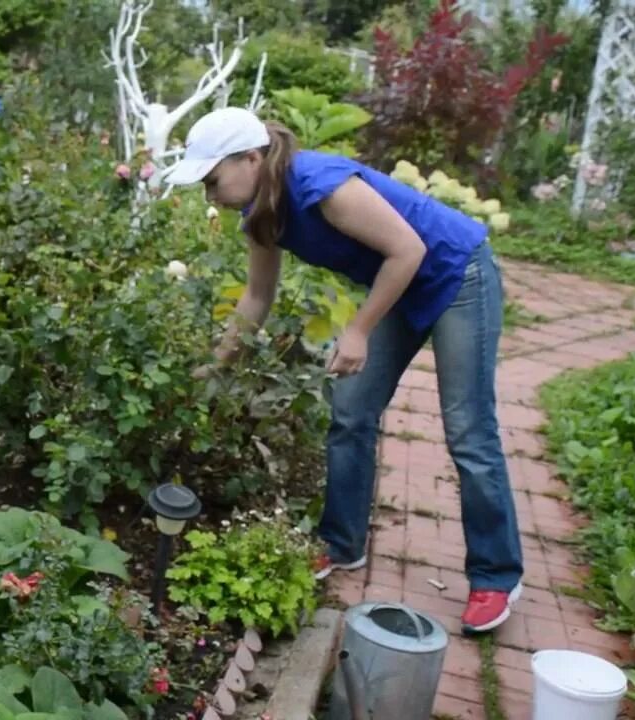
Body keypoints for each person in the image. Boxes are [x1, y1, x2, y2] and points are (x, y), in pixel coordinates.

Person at [164, 107, 524, 634]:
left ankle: (496, 575)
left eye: (212, 180)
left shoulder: (322, 184)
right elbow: (258, 297)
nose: (209, 195)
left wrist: (357, 330)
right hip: (399, 283)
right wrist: (215, 367)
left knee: (468, 428)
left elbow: (409, 249)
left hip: (456, 273)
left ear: (250, 158)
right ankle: (342, 544)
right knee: (352, 410)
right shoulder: (261, 215)